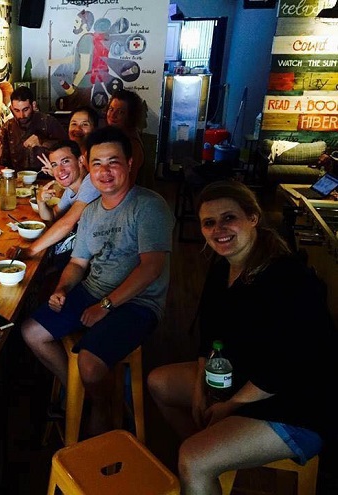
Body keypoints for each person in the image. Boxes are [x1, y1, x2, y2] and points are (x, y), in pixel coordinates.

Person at [147, 181, 336, 495]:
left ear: (253, 218)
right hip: (242, 380)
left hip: (296, 403)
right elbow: (209, 334)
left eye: (228, 218)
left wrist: (231, 405)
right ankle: (210, 462)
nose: (218, 228)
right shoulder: (223, 268)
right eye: (209, 222)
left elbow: (285, 367)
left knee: (193, 459)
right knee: (159, 383)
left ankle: (201, 464)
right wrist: (198, 390)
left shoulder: (288, 278)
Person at [21, 126, 174, 438]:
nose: (104, 172)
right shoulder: (90, 211)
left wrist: (106, 305)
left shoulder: (148, 205)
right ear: (87, 168)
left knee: (90, 364)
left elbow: (152, 268)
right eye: (97, 164)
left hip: (137, 303)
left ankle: (101, 407)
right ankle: (79, 392)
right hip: (92, 291)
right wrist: (63, 288)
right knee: (31, 332)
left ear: (130, 163)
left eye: (113, 162)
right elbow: (78, 263)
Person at [10, 140, 99, 263]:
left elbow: (67, 223)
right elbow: (52, 216)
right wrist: (41, 201)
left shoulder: (91, 183)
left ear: (80, 161)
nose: (60, 170)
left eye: (65, 161)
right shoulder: (71, 189)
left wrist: (30, 250)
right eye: (54, 165)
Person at [0, 86, 67, 172]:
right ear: (11, 108)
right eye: (16, 110)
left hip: (47, 176)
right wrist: (1, 169)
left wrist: (42, 142)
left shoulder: (48, 122)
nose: (21, 115)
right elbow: (0, 162)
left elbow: (67, 149)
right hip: (17, 180)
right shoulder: (7, 127)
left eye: (25, 109)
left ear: (33, 105)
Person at [40, 106, 98, 176]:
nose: (77, 129)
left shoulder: (97, 156)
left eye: (84, 124)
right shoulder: (67, 152)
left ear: (94, 129)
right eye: (74, 124)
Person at [105, 88, 145, 186]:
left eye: (120, 112)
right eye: (111, 109)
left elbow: (128, 183)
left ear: (130, 116)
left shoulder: (132, 143)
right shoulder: (116, 135)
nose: (113, 115)